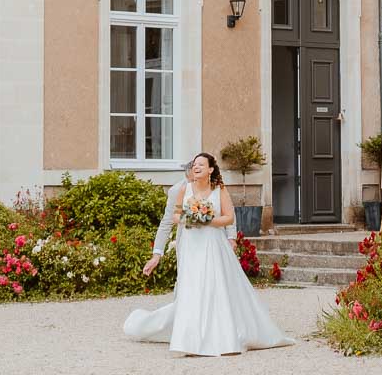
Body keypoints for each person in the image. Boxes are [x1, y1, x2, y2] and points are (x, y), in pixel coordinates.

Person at [122, 152, 295, 356]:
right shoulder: (180, 189)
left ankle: (221, 337)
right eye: (194, 165)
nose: (196, 168)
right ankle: (187, 340)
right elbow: (173, 217)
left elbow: (229, 217)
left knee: (215, 286)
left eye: (200, 165)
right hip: (189, 245)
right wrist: (187, 222)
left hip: (213, 243)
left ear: (210, 169)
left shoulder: (219, 189)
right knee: (191, 287)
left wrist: (214, 226)